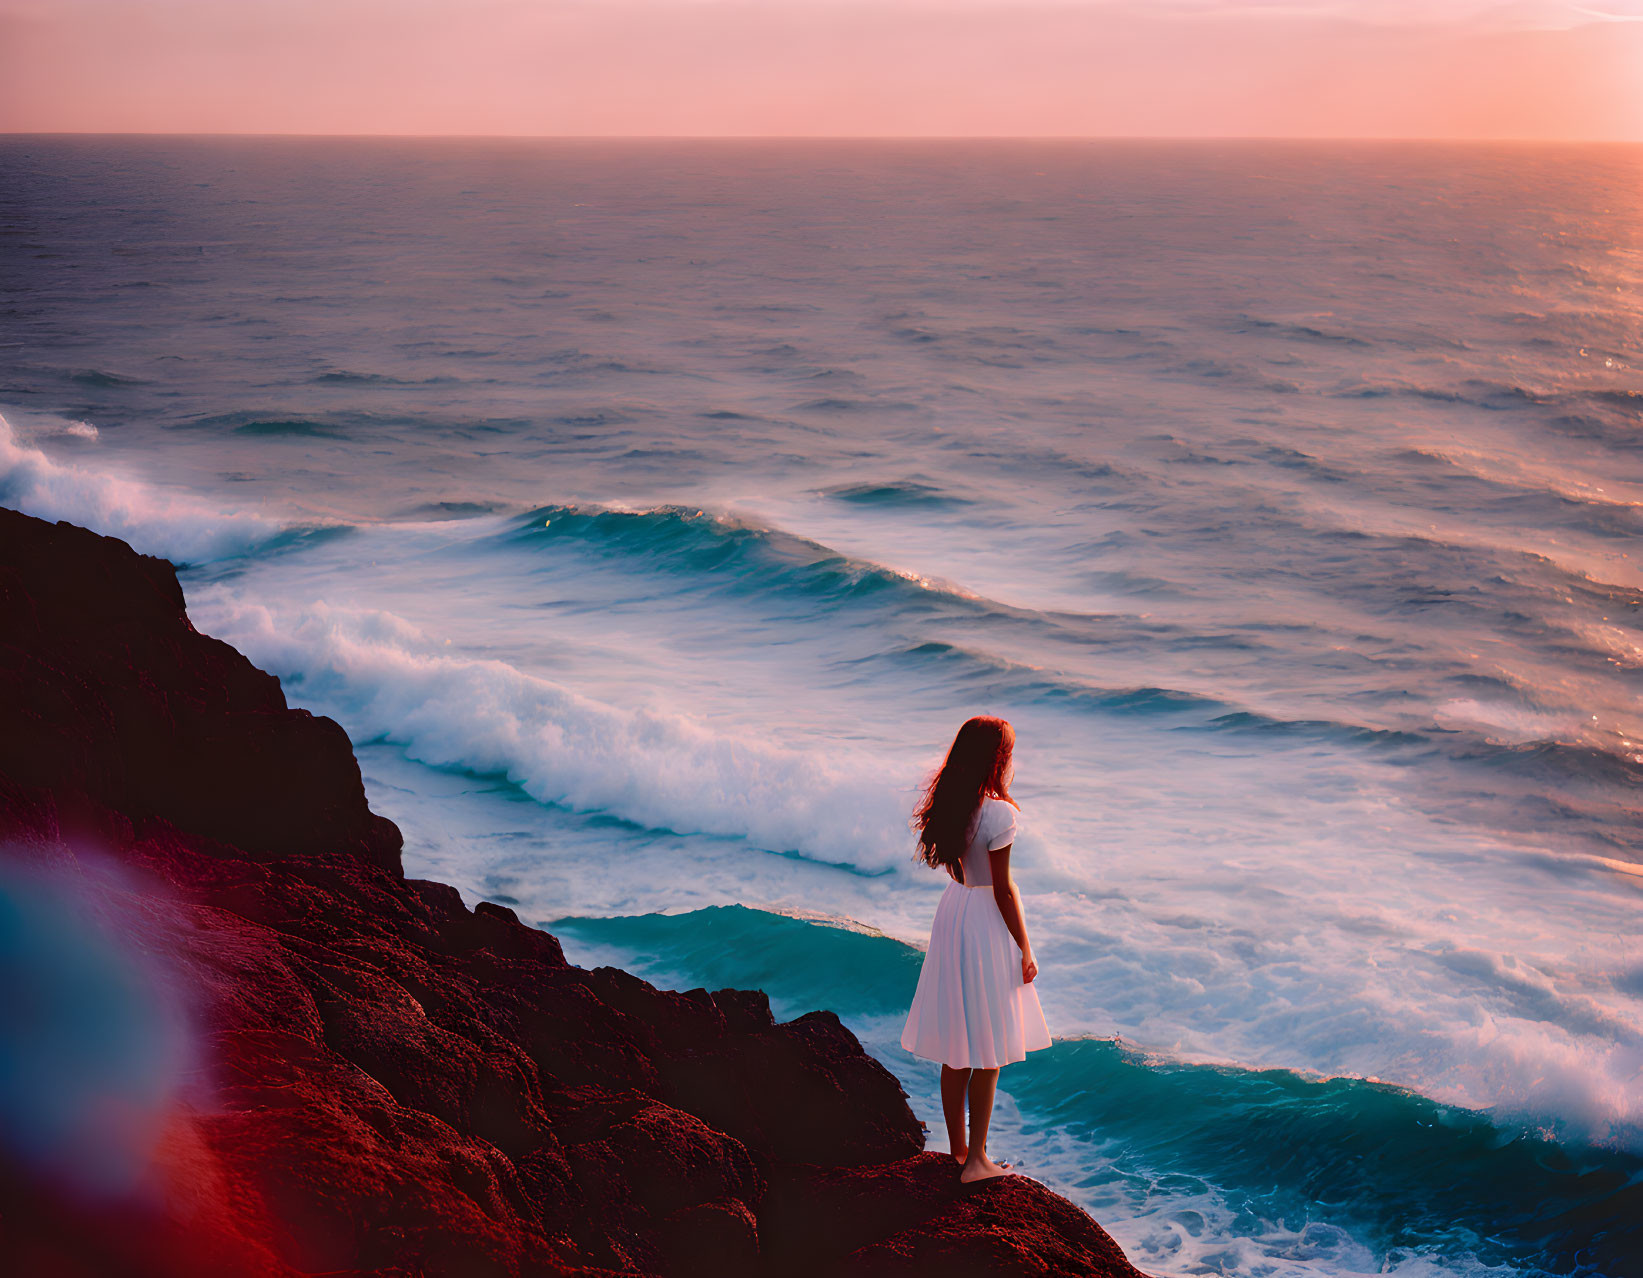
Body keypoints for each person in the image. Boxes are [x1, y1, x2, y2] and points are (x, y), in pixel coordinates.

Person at [900, 715, 1052, 1183]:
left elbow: (959, 870)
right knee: (989, 1049)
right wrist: (1025, 947)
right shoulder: (1000, 814)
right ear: (997, 759)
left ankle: (959, 1150)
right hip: (986, 920)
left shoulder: (954, 803)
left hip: (955, 911)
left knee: (959, 1046)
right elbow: (1003, 889)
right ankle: (977, 1163)